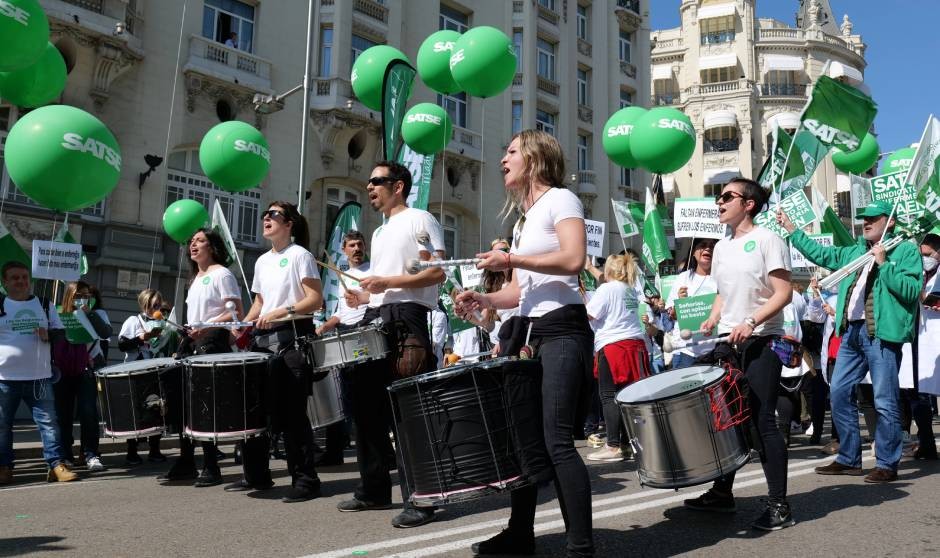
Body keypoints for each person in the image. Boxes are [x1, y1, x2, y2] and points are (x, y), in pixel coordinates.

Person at [456, 130, 594, 556]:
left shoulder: (561, 200)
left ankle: (580, 548)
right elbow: (518, 293)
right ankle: (520, 533)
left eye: (511, 151)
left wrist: (511, 258)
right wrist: (482, 299)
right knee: (524, 440)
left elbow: (573, 260)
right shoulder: (523, 219)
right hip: (531, 332)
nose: (503, 159)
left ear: (534, 157)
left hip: (563, 330)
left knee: (555, 442)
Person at [335, 161, 446, 529]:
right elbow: (385, 287)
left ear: (398, 186)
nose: (369, 187)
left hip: (409, 318)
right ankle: (374, 489)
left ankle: (423, 498)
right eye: (368, 182)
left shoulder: (420, 219)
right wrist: (364, 297)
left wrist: (386, 284)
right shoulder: (380, 233)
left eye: (376, 182)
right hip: (378, 318)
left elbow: (436, 272)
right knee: (366, 410)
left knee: (408, 416)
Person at [781, 200, 921, 483]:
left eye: (873, 218)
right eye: (864, 218)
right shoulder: (855, 251)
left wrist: (884, 264)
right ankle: (849, 458)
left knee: (885, 400)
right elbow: (819, 253)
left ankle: (886, 463)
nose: (866, 222)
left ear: (889, 221)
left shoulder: (905, 249)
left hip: (881, 335)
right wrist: (792, 229)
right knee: (839, 393)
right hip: (851, 333)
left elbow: (910, 290)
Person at [684, 178, 795, 531]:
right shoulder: (721, 247)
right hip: (727, 342)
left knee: (763, 422)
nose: (719, 202)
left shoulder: (767, 239)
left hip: (762, 340)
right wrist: (713, 317)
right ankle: (722, 493)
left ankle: (780, 506)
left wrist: (751, 320)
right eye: (719, 197)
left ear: (748, 204)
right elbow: (721, 293)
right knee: (726, 422)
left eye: (727, 196)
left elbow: (784, 292)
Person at [237, 201, 324, 503]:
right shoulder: (261, 261)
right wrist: (242, 324)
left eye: (273, 215)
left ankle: (305, 480)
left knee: (291, 415)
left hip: (293, 337)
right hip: (263, 340)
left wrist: (281, 312)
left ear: (289, 224)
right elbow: (260, 304)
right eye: (265, 214)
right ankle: (258, 475)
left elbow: (315, 300)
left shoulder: (301, 255)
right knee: (258, 410)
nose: (266, 218)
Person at [159, 228, 241, 487]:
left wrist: (207, 326)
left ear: (213, 247)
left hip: (211, 344)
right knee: (184, 405)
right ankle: (186, 461)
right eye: (191, 241)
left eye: (200, 241)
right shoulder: (194, 278)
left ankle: (211, 465)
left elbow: (236, 312)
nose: (193, 245)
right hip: (193, 342)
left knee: (204, 407)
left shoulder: (222, 274)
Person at [0, 261, 77, 484]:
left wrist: (50, 335)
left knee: (49, 423)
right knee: (3, 426)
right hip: (4, 379)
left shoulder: (44, 304)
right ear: (5, 282)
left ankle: (56, 465)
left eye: (24, 277)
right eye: (15, 278)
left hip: (39, 377)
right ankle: (4, 467)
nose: (21, 281)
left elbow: (61, 335)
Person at [313, 230, 371, 466]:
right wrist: (326, 325)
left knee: (364, 393)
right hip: (344, 331)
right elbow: (341, 311)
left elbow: (377, 299)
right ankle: (335, 450)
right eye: (351, 245)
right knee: (338, 393)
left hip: (364, 330)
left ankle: (375, 451)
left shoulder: (373, 271)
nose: (356, 249)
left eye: (360, 244)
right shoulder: (343, 275)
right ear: (345, 250)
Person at [584, 253, 649, 463]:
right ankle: (625, 443)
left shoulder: (607, 289)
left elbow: (591, 314)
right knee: (626, 397)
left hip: (614, 345)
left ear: (610, 270)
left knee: (609, 396)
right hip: (634, 344)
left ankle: (612, 446)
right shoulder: (629, 289)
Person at [53, 281, 112, 472]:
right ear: (69, 296)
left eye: (86, 296)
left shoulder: (96, 313)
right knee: (63, 413)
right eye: (78, 296)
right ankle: (65, 454)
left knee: (88, 412)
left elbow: (105, 333)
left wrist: (90, 314)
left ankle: (90, 454)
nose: (83, 299)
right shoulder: (58, 312)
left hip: (88, 368)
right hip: (64, 369)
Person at [117, 289, 169, 465]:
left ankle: (155, 450)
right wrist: (141, 338)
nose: (156, 308)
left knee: (157, 408)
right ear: (144, 304)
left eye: (158, 305)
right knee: (136, 411)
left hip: (155, 370)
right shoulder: (134, 321)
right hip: (136, 371)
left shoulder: (163, 322)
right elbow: (122, 344)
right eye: (152, 305)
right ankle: (132, 452)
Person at [661, 238, 718, 369]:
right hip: (684, 350)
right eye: (703, 245)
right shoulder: (683, 278)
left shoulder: (720, 279)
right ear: (693, 252)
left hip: (713, 350)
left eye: (712, 246)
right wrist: (680, 303)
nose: (708, 249)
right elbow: (671, 316)